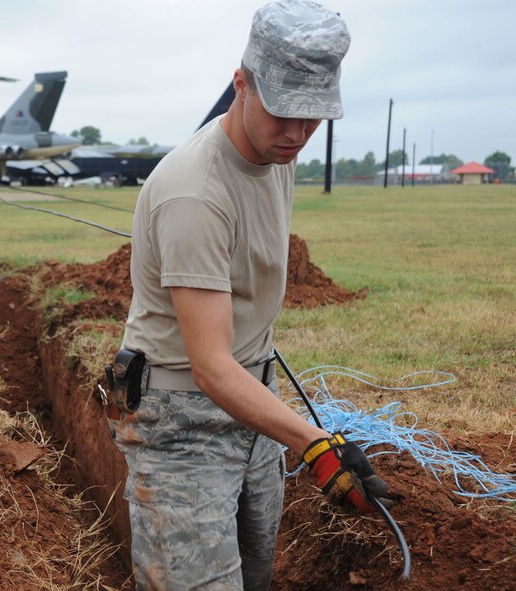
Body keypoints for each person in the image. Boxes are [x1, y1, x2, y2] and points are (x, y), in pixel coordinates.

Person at [109, 2, 393, 589]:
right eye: (283, 113)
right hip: (180, 423)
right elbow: (211, 368)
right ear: (241, 83)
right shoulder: (194, 193)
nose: (296, 134)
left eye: (313, 119)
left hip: (254, 400)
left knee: (256, 574)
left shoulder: (277, 154)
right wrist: (317, 445)